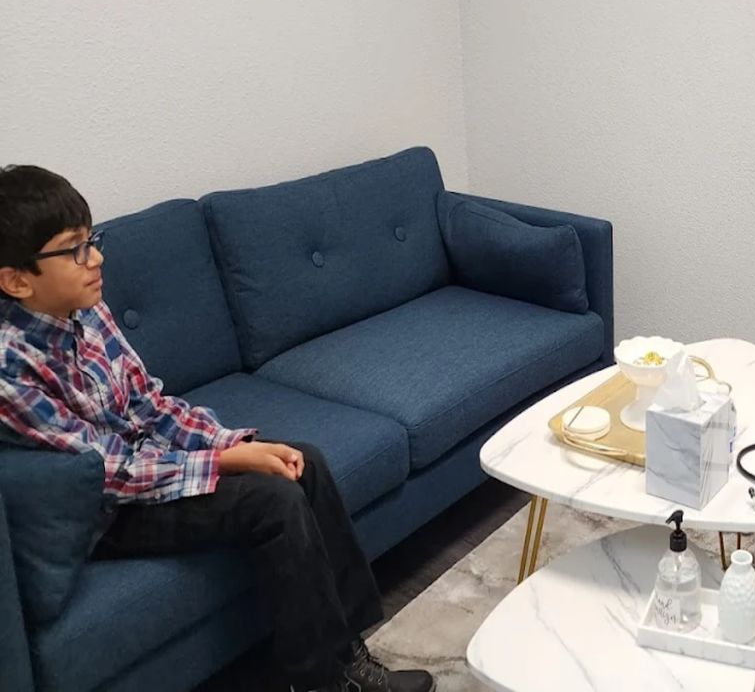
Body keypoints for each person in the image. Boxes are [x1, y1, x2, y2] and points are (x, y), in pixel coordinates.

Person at [0, 166, 435, 692]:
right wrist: (227, 461)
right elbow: (108, 472)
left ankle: (348, 656)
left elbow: (150, 405)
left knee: (304, 463)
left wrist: (235, 443)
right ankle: (319, 681)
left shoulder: (85, 311)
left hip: (149, 468)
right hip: (105, 512)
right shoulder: (10, 368)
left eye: (92, 241)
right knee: (273, 500)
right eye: (74, 249)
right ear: (16, 279)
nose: (96, 259)